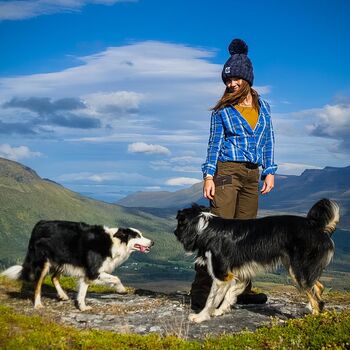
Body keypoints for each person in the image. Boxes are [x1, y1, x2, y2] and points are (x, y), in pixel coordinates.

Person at [190, 38, 277, 312]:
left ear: (247, 78)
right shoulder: (222, 111)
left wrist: (270, 171)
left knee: (247, 238)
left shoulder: (264, 109)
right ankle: (201, 293)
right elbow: (213, 144)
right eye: (228, 80)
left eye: (236, 78)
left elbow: (269, 141)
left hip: (253, 175)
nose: (231, 83)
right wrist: (208, 176)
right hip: (227, 173)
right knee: (216, 236)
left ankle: (241, 291)